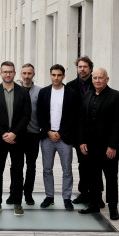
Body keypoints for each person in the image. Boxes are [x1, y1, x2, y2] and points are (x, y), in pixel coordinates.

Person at [0, 61, 31, 216]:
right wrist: (3, 134)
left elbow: (26, 115)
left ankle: (18, 202)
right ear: (0, 74)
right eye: (5, 72)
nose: (8, 74)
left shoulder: (23, 92)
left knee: (18, 171)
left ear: (14, 73)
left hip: (18, 138)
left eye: (10, 71)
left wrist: (15, 133)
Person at [78, 68, 119, 220]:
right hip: (90, 146)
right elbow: (83, 121)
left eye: (100, 78)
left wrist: (113, 145)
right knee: (93, 176)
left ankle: (113, 207)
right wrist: (82, 141)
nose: (97, 80)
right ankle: (94, 204)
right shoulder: (88, 95)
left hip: (108, 147)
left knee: (111, 177)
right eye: (95, 78)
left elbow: (118, 123)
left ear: (107, 79)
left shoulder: (116, 97)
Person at [37, 64, 78, 211]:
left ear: (63, 76)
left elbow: (73, 116)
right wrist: (48, 131)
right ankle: (49, 197)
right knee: (47, 169)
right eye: (53, 75)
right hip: (47, 137)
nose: (56, 77)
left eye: (59, 75)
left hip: (64, 137)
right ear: (50, 75)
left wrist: (60, 132)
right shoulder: (44, 92)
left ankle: (67, 198)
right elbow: (40, 115)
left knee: (67, 169)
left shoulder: (71, 93)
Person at [6, 64, 41, 205]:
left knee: (31, 166)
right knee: (15, 166)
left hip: (33, 134)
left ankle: (28, 194)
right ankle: (14, 193)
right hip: (17, 135)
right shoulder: (15, 90)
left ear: (33, 74)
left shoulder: (40, 91)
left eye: (29, 73)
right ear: (20, 74)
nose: (27, 76)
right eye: (24, 73)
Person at [66, 56, 99, 205]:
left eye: (85, 67)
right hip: (79, 133)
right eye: (80, 67)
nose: (82, 69)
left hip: (97, 133)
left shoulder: (97, 84)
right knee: (83, 164)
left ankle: (97, 196)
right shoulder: (71, 86)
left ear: (90, 69)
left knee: (96, 165)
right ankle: (84, 193)